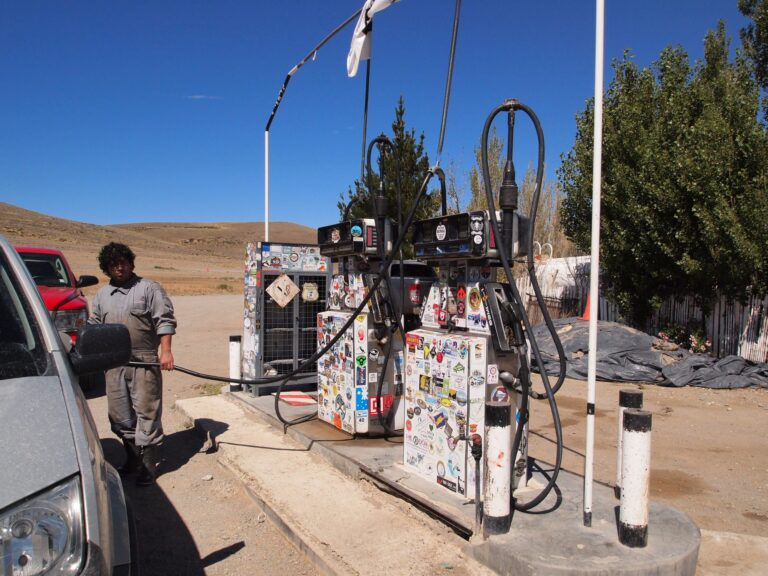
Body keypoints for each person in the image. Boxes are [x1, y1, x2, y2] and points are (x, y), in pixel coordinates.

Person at [89, 242, 176, 486]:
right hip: (114, 361)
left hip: (144, 360)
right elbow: (95, 325)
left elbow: (165, 321)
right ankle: (133, 459)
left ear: (131, 263)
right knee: (120, 415)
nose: (120, 268)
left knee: (147, 411)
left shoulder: (149, 288)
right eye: (114, 264)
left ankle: (149, 465)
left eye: (124, 263)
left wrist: (166, 352)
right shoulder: (102, 295)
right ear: (107, 268)